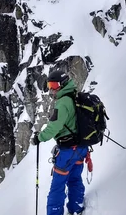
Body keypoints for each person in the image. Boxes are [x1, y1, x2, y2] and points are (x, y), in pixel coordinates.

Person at [31, 70, 88, 215]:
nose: (51, 88)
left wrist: (39, 137)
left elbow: (54, 127)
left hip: (68, 151)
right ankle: (76, 207)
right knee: (75, 179)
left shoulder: (63, 103)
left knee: (57, 186)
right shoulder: (74, 95)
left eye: (54, 85)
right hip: (81, 148)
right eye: (50, 84)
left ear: (62, 84)